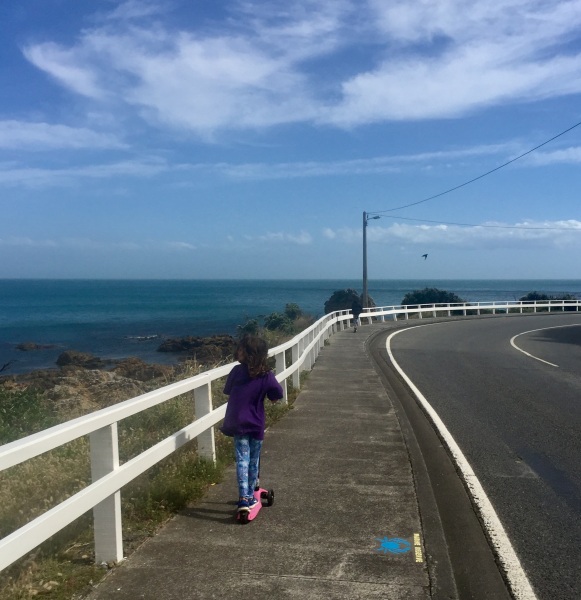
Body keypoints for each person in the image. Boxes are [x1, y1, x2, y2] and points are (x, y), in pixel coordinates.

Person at [221, 335, 284, 513]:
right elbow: (276, 395)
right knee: (253, 460)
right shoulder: (266, 375)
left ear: (249, 354)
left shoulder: (236, 371)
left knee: (242, 459)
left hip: (238, 422)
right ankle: (250, 495)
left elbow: (228, 391)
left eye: (241, 349)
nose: (238, 352)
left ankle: (244, 498)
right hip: (256, 422)